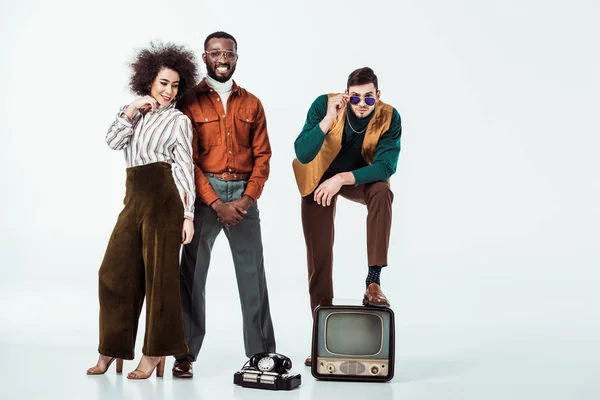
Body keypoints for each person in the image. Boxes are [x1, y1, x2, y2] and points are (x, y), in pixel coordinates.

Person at [86, 42, 199, 379]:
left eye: (175, 85)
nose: (168, 91)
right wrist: (132, 108)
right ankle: (111, 349)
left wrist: (188, 214)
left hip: (165, 200)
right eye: (163, 82)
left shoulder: (179, 121)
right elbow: (112, 141)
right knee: (113, 274)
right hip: (133, 199)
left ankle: (154, 354)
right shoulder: (133, 112)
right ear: (149, 80)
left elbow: (184, 168)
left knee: (159, 281)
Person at [172, 31, 276, 378]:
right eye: (215, 53)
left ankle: (262, 353)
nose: (222, 59)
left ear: (236, 58)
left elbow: (263, 156)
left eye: (228, 53)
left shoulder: (252, 103)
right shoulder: (188, 102)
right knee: (192, 274)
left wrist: (247, 199)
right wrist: (215, 201)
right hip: (205, 198)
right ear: (205, 57)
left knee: (253, 276)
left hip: (245, 194)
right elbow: (187, 160)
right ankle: (184, 353)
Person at [292, 67, 402, 366]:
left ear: (378, 96)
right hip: (317, 179)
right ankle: (320, 338)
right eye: (355, 98)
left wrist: (341, 178)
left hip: (355, 178)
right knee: (320, 256)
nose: (362, 104)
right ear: (346, 95)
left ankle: (373, 280)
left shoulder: (390, 117)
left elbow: (385, 166)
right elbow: (302, 153)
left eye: (369, 98)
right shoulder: (324, 105)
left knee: (382, 192)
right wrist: (328, 119)